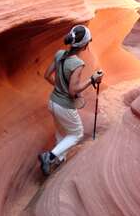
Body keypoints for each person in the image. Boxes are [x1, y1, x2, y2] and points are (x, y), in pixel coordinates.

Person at [38, 25, 104, 176]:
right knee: (76, 134)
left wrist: (60, 88)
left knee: (61, 132)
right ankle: (50, 157)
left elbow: (47, 75)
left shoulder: (59, 54)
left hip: (52, 102)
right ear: (85, 45)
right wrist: (92, 79)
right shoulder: (77, 64)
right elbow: (73, 91)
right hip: (64, 106)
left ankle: (58, 160)